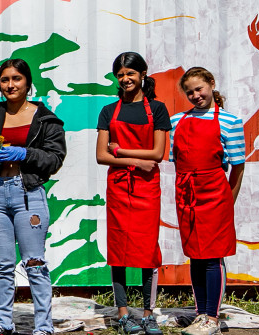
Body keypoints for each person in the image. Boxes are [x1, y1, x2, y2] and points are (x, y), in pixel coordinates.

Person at [0, 59, 67, 335]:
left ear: (27, 82)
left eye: (16, 79)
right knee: (2, 265)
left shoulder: (45, 118)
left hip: (28, 194)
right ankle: (3, 322)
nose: (10, 85)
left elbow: (55, 158)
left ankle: (44, 326)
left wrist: (25, 154)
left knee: (34, 263)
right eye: (4, 80)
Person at [95, 52, 170, 335]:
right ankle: (124, 314)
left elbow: (158, 153)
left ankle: (149, 315)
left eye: (130, 73)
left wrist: (121, 150)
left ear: (142, 75)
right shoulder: (108, 110)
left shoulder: (158, 109)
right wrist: (135, 162)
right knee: (119, 249)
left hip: (147, 189)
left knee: (148, 250)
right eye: (120, 74)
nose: (125, 79)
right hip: (118, 186)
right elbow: (101, 156)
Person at [169, 68, 246, 335]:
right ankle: (200, 313)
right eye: (189, 92)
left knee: (212, 256)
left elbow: (237, 167)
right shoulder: (176, 121)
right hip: (186, 193)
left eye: (199, 89)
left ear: (211, 84)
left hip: (215, 194)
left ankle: (212, 317)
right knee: (195, 255)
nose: (195, 95)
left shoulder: (230, 121)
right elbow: (176, 159)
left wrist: (228, 200)